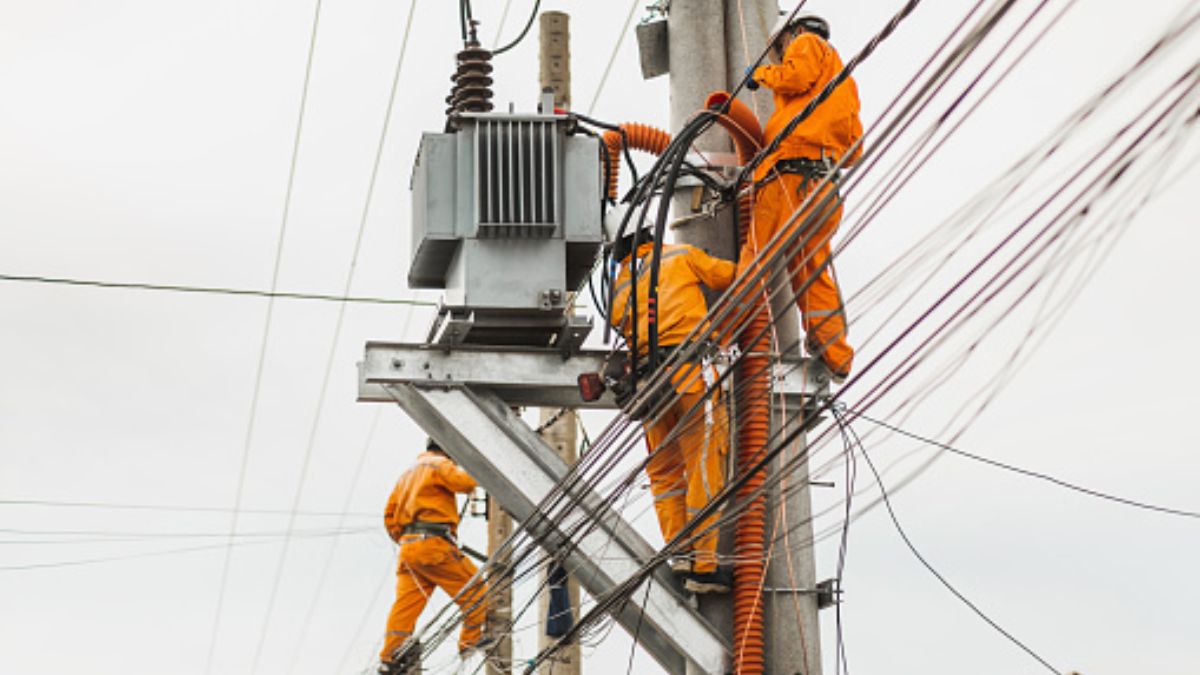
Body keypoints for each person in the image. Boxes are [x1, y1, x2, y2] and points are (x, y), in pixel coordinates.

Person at [608, 222, 736, 593]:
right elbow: (729, 276)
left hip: (650, 385)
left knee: (664, 471)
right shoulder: (679, 256)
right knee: (704, 461)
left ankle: (679, 551)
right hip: (689, 373)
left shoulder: (619, 285)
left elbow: (620, 322)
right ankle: (704, 567)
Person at [743, 11, 863, 382]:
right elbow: (855, 149)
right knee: (811, 272)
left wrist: (760, 75)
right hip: (822, 187)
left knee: (755, 259)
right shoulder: (842, 82)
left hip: (791, 181)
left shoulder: (807, 44)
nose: (783, 57)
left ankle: (719, 332)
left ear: (790, 35)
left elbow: (795, 76)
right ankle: (835, 354)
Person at [378, 437, 489, 673]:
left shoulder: (407, 474)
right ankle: (469, 642)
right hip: (434, 545)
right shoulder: (438, 464)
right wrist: (479, 465)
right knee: (476, 588)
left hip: (409, 548)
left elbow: (389, 517)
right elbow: (466, 482)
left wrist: (409, 539)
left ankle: (389, 657)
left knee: (406, 606)